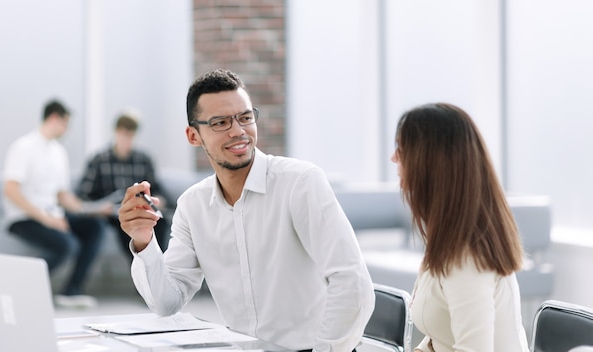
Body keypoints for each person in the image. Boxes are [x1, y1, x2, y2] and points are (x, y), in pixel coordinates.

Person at [117, 69, 375, 351]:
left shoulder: (300, 183)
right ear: (193, 136)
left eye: (245, 117)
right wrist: (143, 240)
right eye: (220, 122)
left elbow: (352, 282)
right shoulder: (193, 205)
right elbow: (167, 302)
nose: (238, 131)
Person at [390, 103, 529, 351]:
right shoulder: (449, 236)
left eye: (401, 150)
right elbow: (441, 334)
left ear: (429, 165)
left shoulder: (467, 256)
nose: (394, 158)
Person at [2, 99, 110, 308]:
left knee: (95, 228)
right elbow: (10, 190)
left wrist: (90, 210)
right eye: (66, 123)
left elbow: (62, 196)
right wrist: (46, 219)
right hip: (25, 217)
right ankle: (21, 291)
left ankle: (71, 290)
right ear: (54, 118)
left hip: (53, 213)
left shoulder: (58, 152)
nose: (67, 129)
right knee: (68, 244)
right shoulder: (23, 147)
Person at [76, 110, 174, 262]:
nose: (126, 140)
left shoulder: (144, 160)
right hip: (113, 215)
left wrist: (158, 200)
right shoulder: (99, 160)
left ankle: (160, 266)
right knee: (128, 225)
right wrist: (99, 207)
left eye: (130, 135)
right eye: (123, 134)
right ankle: (142, 270)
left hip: (140, 210)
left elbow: (157, 188)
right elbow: (83, 193)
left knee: (160, 222)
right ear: (116, 132)